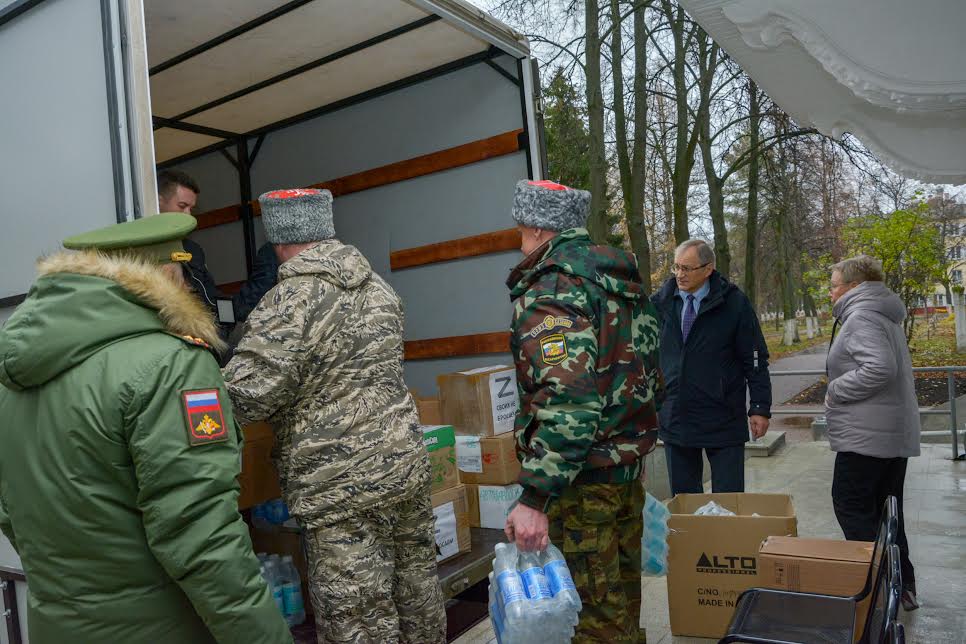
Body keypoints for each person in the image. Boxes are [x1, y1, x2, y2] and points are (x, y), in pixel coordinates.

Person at [0, 213, 291, 643]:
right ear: (164, 276)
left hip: (56, 623)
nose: (192, 288)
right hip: (156, 626)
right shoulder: (171, 363)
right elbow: (202, 536)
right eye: (185, 275)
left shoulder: (18, 375)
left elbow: (12, 511)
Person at [222, 188, 446, 644]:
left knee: (359, 618)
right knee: (417, 595)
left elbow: (247, 397)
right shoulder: (379, 288)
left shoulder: (290, 301)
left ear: (279, 238)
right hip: (403, 467)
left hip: (340, 485)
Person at [503, 180, 663, 643]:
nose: (518, 234)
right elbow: (652, 373)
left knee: (593, 624)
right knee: (622, 611)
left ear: (535, 226)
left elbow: (568, 400)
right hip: (625, 474)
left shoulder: (552, 290)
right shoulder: (619, 281)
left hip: (582, 486)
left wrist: (534, 497)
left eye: (520, 226)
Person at [825, 255, 920, 611]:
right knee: (888, 512)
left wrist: (836, 390)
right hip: (889, 435)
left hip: (866, 436)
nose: (831, 293)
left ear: (854, 285)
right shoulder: (883, 314)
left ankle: (876, 588)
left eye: (834, 285)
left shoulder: (862, 315)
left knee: (850, 505)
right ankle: (902, 585)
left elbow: (880, 368)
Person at [651, 239, 771, 495]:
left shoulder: (734, 303)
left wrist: (760, 407)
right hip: (676, 417)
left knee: (729, 504)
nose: (680, 275)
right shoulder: (659, 304)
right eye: (676, 267)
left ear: (708, 269)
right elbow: (645, 358)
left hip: (723, 417)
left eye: (687, 268)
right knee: (684, 507)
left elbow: (755, 358)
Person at [157, 169, 279, 325]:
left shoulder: (193, 249)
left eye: (191, 209)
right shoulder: (140, 249)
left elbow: (211, 295)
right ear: (159, 201)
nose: (188, 215)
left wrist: (226, 324)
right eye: (182, 206)